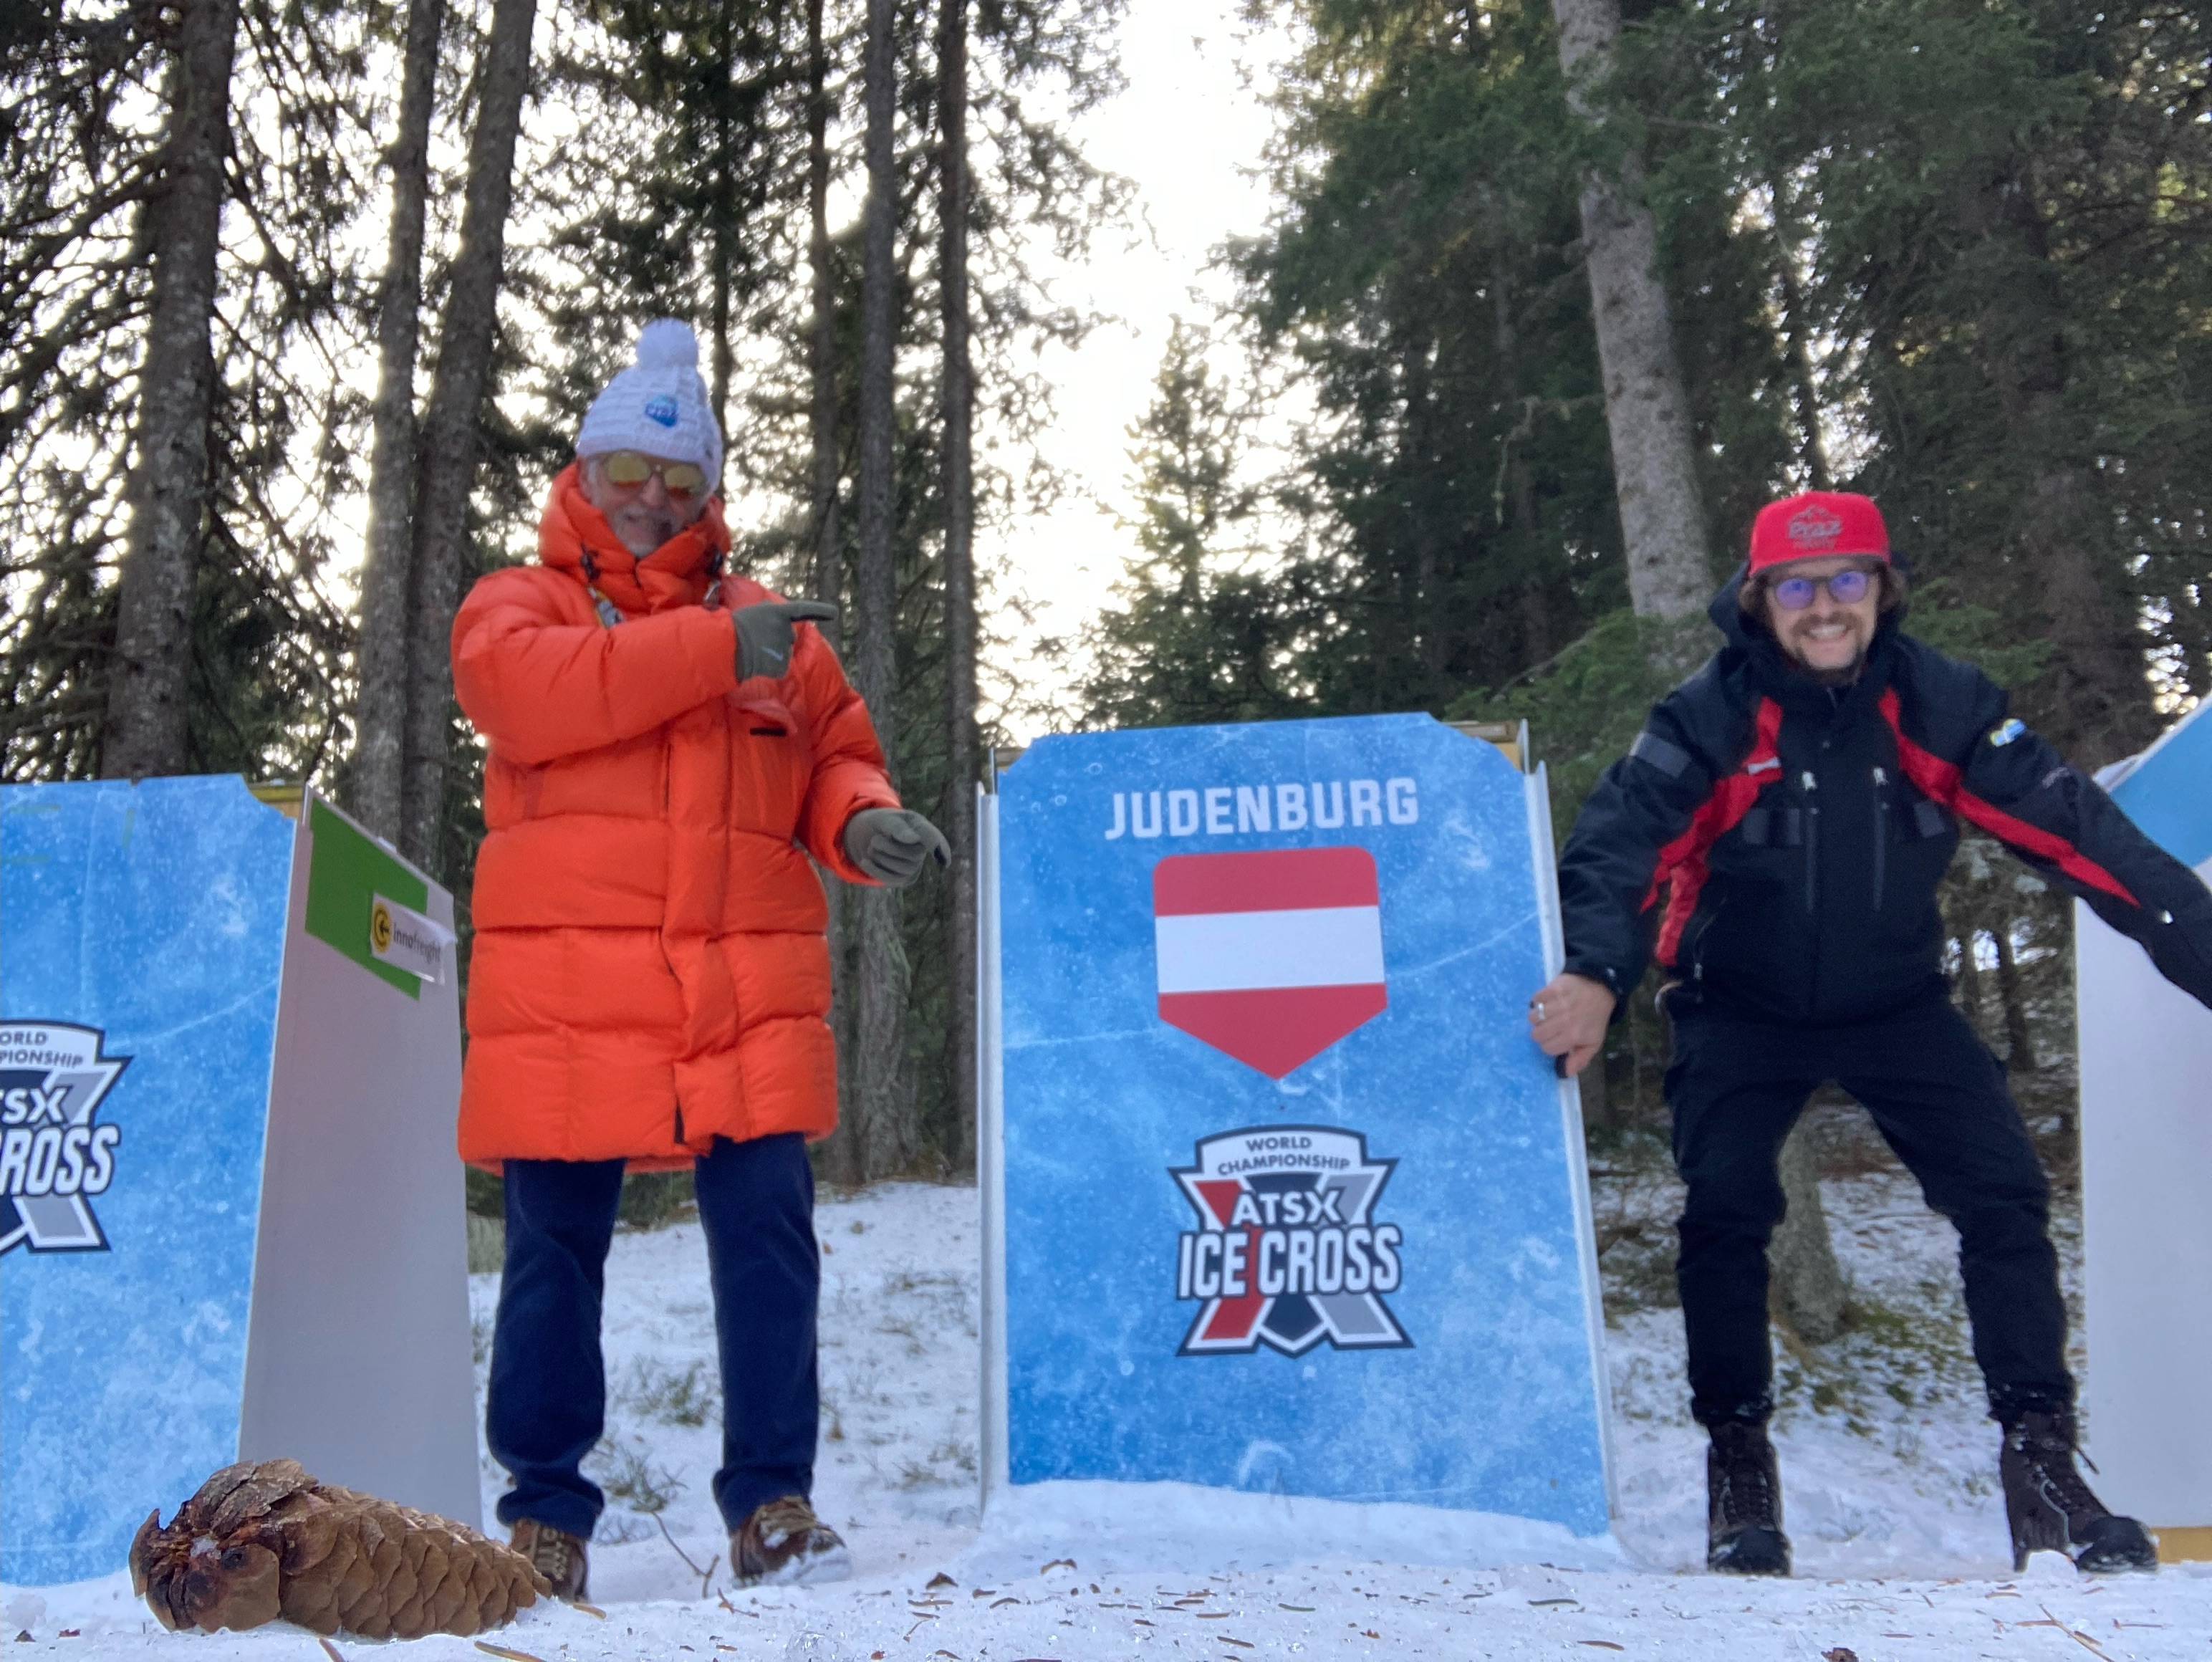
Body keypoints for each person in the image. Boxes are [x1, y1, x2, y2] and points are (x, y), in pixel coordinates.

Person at [1530, 491, 2212, 1577]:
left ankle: (2041, 1458)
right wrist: (1595, 974)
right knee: (1724, 1212)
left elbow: (2084, 837)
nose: (1825, 607)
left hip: (1895, 1002)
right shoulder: (1707, 715)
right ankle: (1739, 1465)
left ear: (1882, 587)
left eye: (1847, 579)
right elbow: (1619, 843)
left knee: (2003, 1193)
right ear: (1760, 602)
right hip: (1736, 1005)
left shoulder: (1940, 703)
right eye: (1796, 587)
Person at [451, 320, 948, 1599]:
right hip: (569, 996)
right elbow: (532, 696)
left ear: (710, 495)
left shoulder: (781, 634)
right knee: (556, 1255)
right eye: (632, 475)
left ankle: (772, 1503)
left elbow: (836, 748)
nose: (655, 501)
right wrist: (722, 652)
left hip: (742, 987)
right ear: (586, 472)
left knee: (770, 1243)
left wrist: (860, 818)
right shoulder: (523, 604)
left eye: (681, 484)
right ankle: (545, 1519)